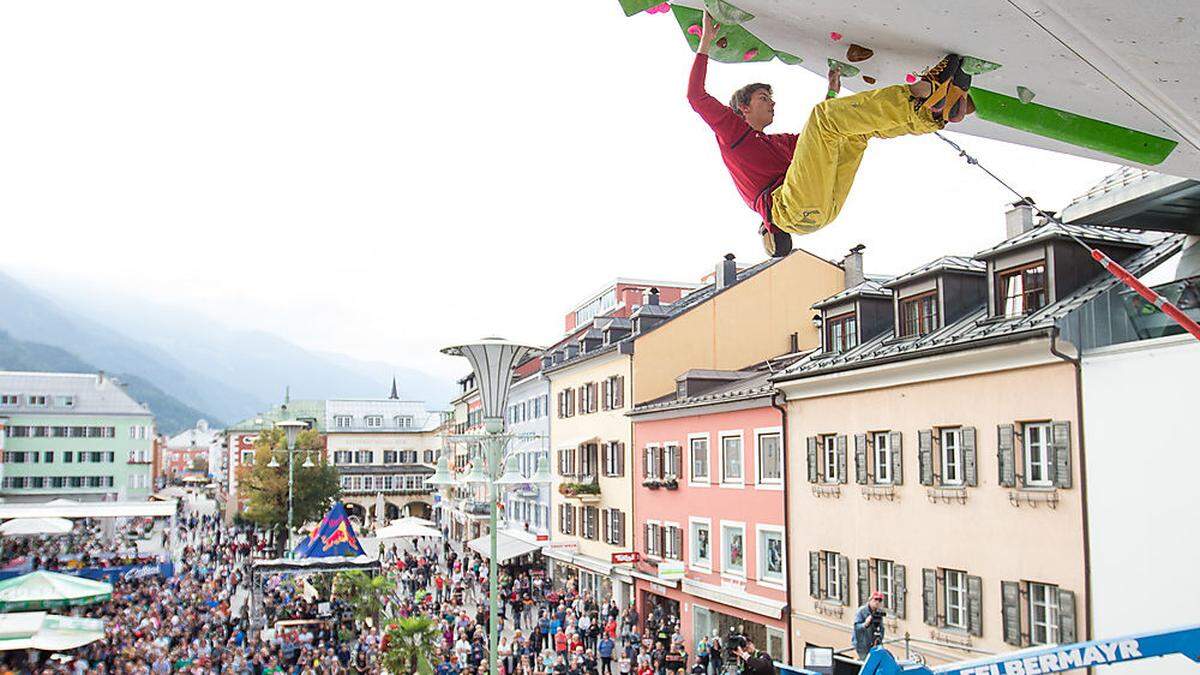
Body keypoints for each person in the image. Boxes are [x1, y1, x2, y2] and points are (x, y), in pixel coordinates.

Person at [687, 12, 974, 257]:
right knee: (824, 119)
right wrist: (706, 42)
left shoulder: (780, 144)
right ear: (742, 108)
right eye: (764, 98)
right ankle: (921, 93)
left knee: (852, 133)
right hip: (789, 208)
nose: (772, 103)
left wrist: (832, 90)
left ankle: (932, 114)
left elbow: (822, 141)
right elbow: (696, 96)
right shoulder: (732, 132)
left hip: (819, 211)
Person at [851, 591, 886, 660]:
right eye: (875, 599)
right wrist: (865, 624)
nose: (877, 602)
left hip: (874, 644)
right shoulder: (861, 611)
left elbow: (881, 628)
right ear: (870, 600)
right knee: (867, 662)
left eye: (880, 600)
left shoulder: (878, 612)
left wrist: (879, 639)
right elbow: (856, 628)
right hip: (862, 644)